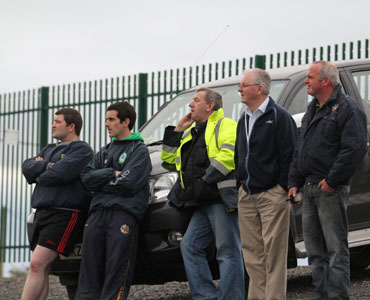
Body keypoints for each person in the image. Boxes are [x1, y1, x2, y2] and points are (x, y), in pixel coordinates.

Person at [288, 61, 367, 300]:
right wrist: (294, 181)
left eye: (310, 77)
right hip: (309, 187)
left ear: (325, 81)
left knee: (335, 248)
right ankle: (320, 294)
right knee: (314, 250)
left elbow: (353, 150)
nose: (306, 82)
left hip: (329, 189)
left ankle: (337, 296)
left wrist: (332, 180)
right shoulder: (313, 109)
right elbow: (300, 149)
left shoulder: (347, 109)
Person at [161, 87, 244, 300]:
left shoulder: (226, 125)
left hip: (219, 198)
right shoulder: (191, 132)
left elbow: (228, 155)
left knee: (227, 251)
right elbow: (169, 161)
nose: (190, 105)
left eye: (196, 100)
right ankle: (206, 296)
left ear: (210, 106)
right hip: (201, 201)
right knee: (190, 246)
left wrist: (206, 180)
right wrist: (178, 130)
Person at [75, 101, 151, 300]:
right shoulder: (104, 151)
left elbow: (129, 183)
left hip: (123, 213)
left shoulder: (139, 150)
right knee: (89, 268)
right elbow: (86, 178)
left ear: (126, 121)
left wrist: (102, 183)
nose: (106, 124)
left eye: (111, 119)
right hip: (97, 212)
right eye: (106, 120)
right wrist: (112, 173)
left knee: (116, 267)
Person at [235, 68, 297, 300]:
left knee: (274, 254)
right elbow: (240, 156)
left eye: (244, 85)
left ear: (259, 88)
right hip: (247, 194)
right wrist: (241, 184)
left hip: (272, 195)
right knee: (252, 254)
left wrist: (281, 187)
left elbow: (289, 154)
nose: (239, 89)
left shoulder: (279, 117)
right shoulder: (243, 119)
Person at [21, 108, 93, 300]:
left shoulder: (82, 150)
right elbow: (26, 167)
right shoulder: (48, 149)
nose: (53, 125)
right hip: (42, 212)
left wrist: (42, 171)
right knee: (41, 268)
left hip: (64, 214)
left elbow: (60, 174)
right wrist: (46, 165)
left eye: (58, 121)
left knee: (37, 263)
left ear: (71, 126)